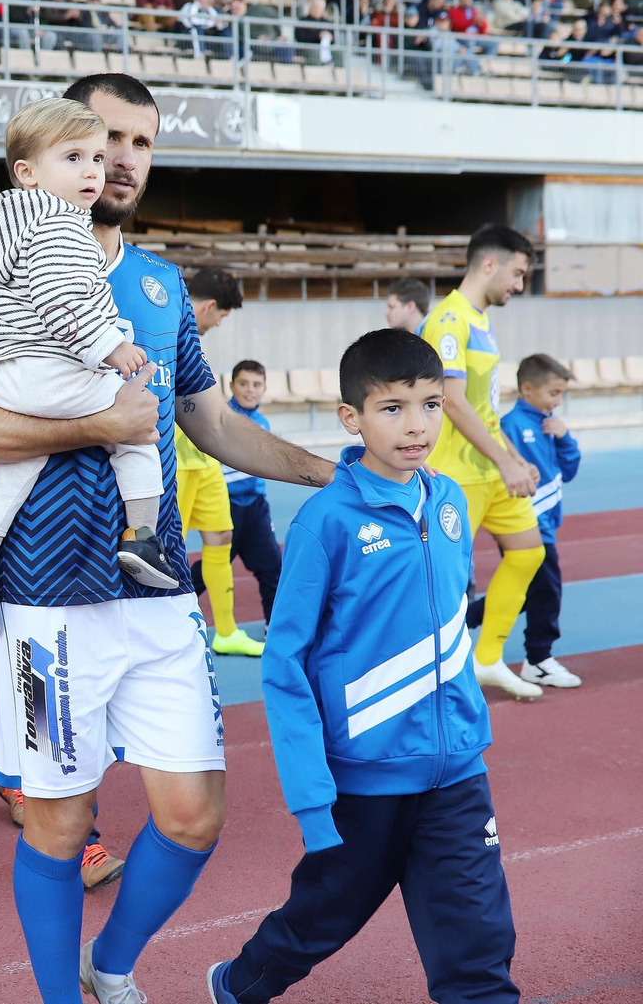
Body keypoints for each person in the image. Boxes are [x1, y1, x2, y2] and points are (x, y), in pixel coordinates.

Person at [0, 73, 336, 1004]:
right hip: (42, 598)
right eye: (102, 137)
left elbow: (209, 422)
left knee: (195, 816)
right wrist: (98, 427)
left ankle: (109, 966)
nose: (120, 158)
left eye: (141, 143)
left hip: (158, 595)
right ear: (57, 151)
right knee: (58, 826)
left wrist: (333, 472)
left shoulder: (159, 284)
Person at [207, 329, 517, 1004]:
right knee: (323, 916)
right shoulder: (326, 522)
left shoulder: (451, 503)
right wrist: (313, 799)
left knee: (479, 934)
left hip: (457, 768)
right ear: (351, 417)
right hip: (363, 781)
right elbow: (284, 664)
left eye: (432, 404)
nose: (418, 425)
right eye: (394, 407)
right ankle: (238, 985)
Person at [0, 98, 179, 639]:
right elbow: (62, 301)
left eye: (95, 159)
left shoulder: (10, 228)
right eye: (75, 158)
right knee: (136, 433)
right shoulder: (61, 229)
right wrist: (109, 346)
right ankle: (142, 535)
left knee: (13, 472)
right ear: (26, 173)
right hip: (57, 368)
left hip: (15, 379)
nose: (96, 171)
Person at [420, 224, 546, 702]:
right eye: (517, 273)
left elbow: (485, 407)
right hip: (457, 475)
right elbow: (451, 401)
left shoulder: (481, 321)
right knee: (446, 579)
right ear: (489, 264)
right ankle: (435, 673)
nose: (519, 284)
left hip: (490, 470)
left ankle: (487, 658)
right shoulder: (448, 321)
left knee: (529, 551)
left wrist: (515, 459)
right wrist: (505, 461)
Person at [175, 268, 266, 658]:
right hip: (175, 464)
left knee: (220, 538)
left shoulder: (194, 340)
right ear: (210, 306)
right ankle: (171, 632)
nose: (220, 323)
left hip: (206, 463)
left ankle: (226, 632)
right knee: (168, 550)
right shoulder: (167, 327)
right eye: (222, 316)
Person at [480, 354, 581, 689]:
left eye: (561, 394)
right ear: (527, 389)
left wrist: (565, 438)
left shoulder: (550, 425)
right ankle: (538, 659)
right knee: (548, 589)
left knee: (527, 591)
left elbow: (569, 471)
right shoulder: (510, 426)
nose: (558, 401)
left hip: (546, 520)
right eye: (553, 393)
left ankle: (462, 621)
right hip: (524, 519)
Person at [190, 360, 281, 627]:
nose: (250, 390)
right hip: (225, 505)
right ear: (231, 386)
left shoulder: (262, 423)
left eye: (256, 385)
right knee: (210, 570)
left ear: (264, 388)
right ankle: (172, 612)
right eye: (243, 384)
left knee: (272, 567)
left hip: (255, 508)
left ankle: (272, 627)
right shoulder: (221, 418)